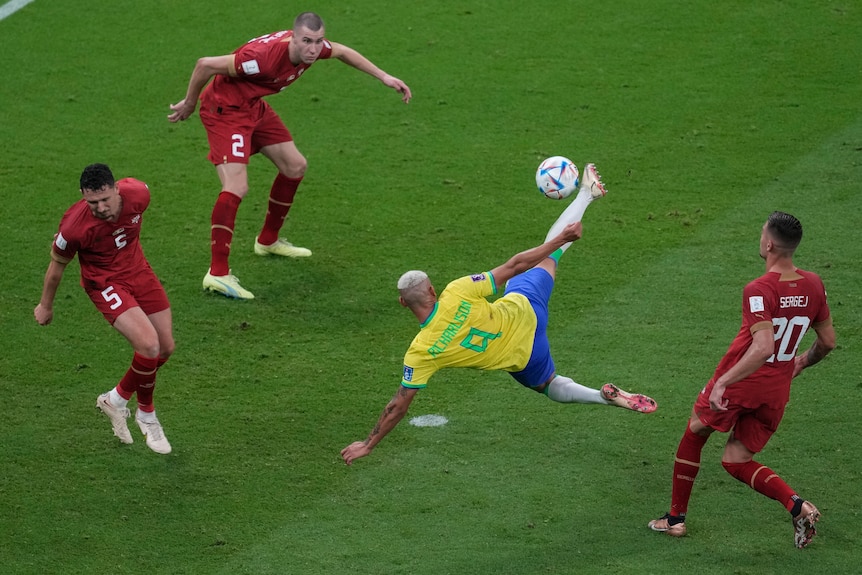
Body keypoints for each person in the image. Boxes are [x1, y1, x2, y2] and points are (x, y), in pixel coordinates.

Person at [341, 165, 658, 466]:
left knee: (548, 384)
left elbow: (398, 405)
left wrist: (368, 444)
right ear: (433, 290)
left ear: (403, 303)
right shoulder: (458, 291)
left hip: (523, 355)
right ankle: (586, 194)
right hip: (526, 308)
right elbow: (514, 265)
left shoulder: (422, 352)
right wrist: (562, 239)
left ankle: (599, 397)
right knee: (548, 255)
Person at [168, 11, 413, 300]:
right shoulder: (262, 57)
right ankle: (217, 274)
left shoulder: (315, 50)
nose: (313, 49)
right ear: (293, 38)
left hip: (252, 107)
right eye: (307, 41)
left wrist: (383, 76)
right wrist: (190, 104)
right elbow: (205, 65)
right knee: (236, 186)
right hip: (226, 111)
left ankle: (268, 241)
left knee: (295, 166)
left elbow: (343, 51)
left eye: (318, 42)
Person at [648, 211, 836, 548]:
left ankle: (675, 520)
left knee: (696, 430)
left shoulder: (759, 289)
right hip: (777, 390)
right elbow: (828, 342)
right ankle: (797, 506)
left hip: (742, 382)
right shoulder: (814, 284)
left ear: (768, 244)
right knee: (736, 460)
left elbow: (763, 347)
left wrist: (723, 382)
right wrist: (800, 363)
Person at [34, 164, 175, 454]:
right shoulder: (73, 227)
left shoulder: (138, 194)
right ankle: (147, 415)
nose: (99, 207)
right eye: (92, 202)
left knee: (165, 348)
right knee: (149, 346)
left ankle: (115, 400)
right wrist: (45, 305)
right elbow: (56, 269)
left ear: (116, 189)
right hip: (105, 283)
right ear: (83, 197)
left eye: (104, 200)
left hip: (139, 271)